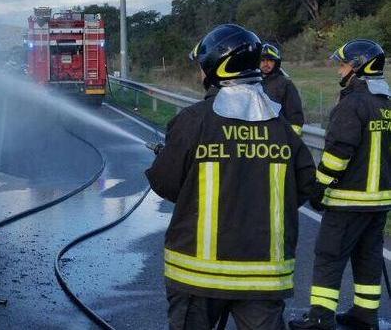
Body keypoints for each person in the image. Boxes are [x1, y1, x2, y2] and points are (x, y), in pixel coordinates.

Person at [147, 24, 316, 329]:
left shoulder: (193, 121)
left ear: (217, 67)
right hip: (263, 277)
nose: (200, 74)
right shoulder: (280, 126)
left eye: (203, 67)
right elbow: (304, 185)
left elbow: (165, 183)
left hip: (197, 275)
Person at [290, 39, 391, 330]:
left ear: (358, 67)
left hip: (348, 201)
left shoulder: (353, 103)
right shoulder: (386, 104)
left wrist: (319, 187)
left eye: (344, 64)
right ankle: (365, 315)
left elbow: (338, 153)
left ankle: (321, 318)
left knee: (329, 256)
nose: (339, 70)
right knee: (368, 258)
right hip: (379, 203)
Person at [261, 42, 306, 136]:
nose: (266, 64)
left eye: (270, 60)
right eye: (262, 60)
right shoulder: (252, 83)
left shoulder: (285, 84)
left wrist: (292, 140)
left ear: (276, 63)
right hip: (257, 138)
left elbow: (295, 116)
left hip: (277, 137)